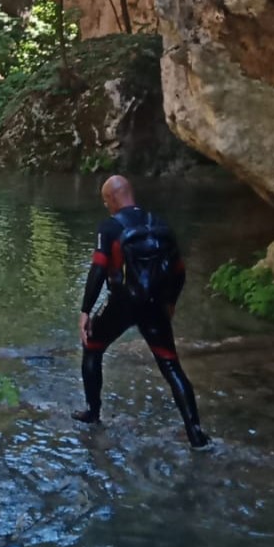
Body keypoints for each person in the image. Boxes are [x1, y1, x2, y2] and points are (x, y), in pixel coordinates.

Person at [73, 174, 209, 449]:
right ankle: (196, 434)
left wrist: (85, 311)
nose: (106, 206)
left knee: (92, 346)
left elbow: (99, 269)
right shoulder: (159, 224)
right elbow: (179, 271)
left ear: (112, 198)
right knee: (171, 365)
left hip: (123, 303)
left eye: (105, 201)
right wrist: (170, 302)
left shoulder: (110, 227)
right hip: (155, 305)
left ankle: (92, 413)